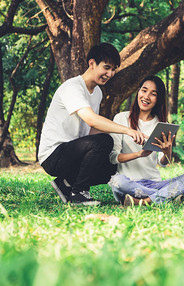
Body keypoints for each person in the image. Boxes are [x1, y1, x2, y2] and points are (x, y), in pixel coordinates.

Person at [38, 43, 147, 206]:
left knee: (112, 163)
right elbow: (91, 119)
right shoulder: (72, 87)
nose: (110, 74)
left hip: (72, 152)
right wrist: (127, 130)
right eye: (106, 67)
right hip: (53, 155)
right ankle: (78, 194)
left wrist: (121, 141)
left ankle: (65, 184)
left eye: (113, 69)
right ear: (91, 63)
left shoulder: (97, 93)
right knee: (105, 141)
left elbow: (90, 131)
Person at [108, 75, 184, 205]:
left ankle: (145, 201)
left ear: (158, 99)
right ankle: (166, 196)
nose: (146, 97)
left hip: (154, 182)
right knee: (117, 181)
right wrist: (139, 154)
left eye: (153, 94)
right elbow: (113, 157)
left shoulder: (161, 124)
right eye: (144, 90)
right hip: (129, 183)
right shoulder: (121, 118)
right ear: (138, 91)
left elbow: (163, 163)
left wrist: (167, 152)